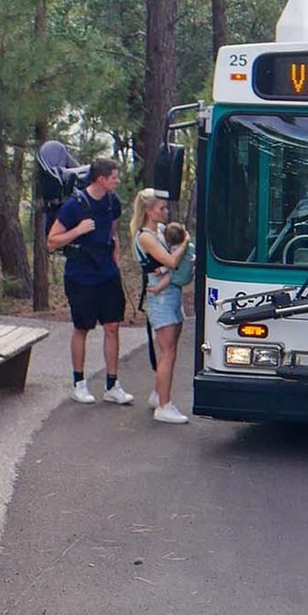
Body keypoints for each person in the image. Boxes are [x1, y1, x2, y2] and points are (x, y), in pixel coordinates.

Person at [47, 157, 135, 405]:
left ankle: (112, 384)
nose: (118, 181)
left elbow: (112, 232)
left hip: (107, 273)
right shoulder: (74, 206)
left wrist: (115, 258)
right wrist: (78, 230)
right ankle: (79, 383)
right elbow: (52, 241)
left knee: (112, 326)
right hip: (80, 275)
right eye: (114, 177)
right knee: (82, 327)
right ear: (101, 179)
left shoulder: (112, 202)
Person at [130, 188, 189, 424]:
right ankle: (164, 405)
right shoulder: (145, 236)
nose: (166, 212)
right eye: (161, 208)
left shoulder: (162, 231)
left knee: (171, 347)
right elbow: (172, 261)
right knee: (167, 351)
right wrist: (185, 242)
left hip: (172, 293)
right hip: (160, 298)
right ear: (148, 211)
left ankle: (158, 393)